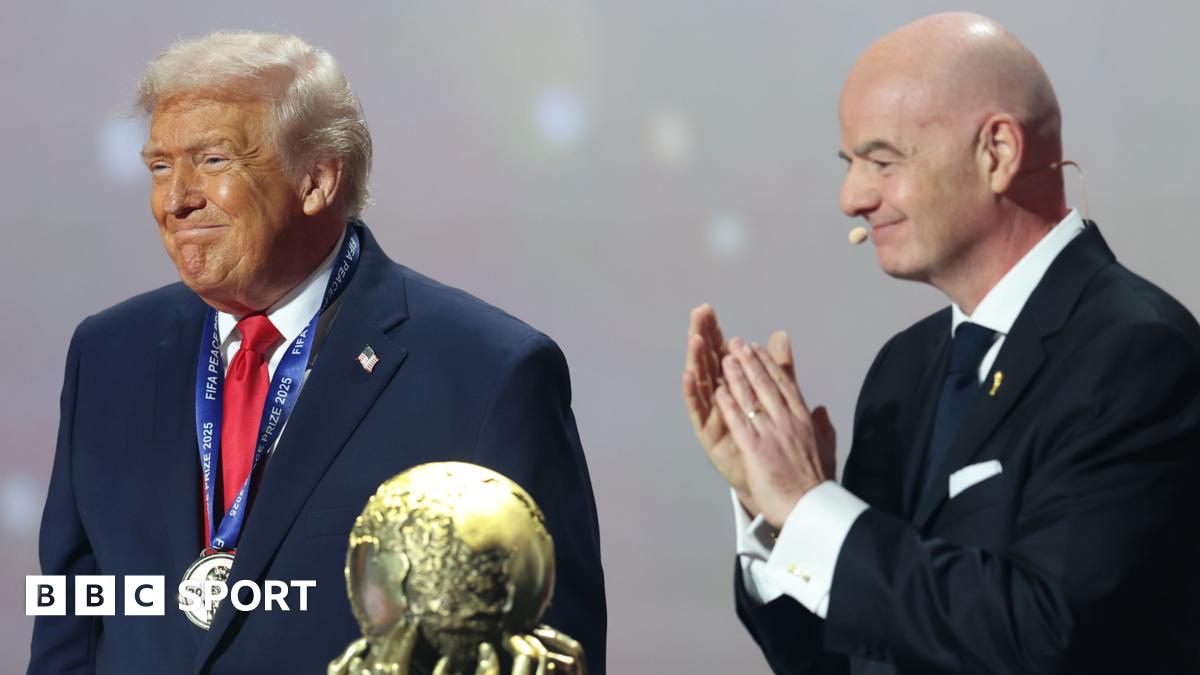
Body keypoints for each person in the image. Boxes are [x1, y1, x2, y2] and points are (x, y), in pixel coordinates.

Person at [29, 31, 606, 675]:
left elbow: (543, 650)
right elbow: (70, 626)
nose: (176, 200)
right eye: (160, 167)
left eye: (213, 161)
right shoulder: (108, 355)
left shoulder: (489, 374)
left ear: (317, 181)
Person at [683, 12, 1200, 674]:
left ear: (997, 153)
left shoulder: (1135, 354)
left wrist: (811, 506)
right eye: (850, 164)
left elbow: (1047, 634)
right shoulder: (904, 368)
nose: (851, 197)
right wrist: (774, 509)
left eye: (881, 160)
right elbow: (849, 657)